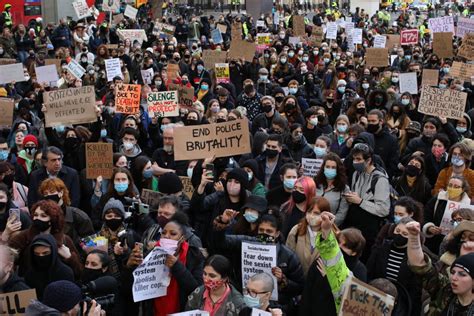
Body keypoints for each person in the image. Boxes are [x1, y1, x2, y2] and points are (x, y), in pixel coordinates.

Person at [406, 221, 474, 315]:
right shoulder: (446, 289)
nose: (453, 278)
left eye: (462, 274)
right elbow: (421, 267)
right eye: (453, 272)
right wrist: (413, 238)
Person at [343, 143, 391, 261]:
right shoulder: (356, 174)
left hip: (369, 229)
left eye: (359, 159)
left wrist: (360, 201)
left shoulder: (380, 180)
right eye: (354, 159)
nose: (355, 162)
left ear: (368, 160)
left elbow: (384, 210)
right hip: (354, 224)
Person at [366, 217, 423, 316]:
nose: (400, 235)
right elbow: (369, 272)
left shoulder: (415, 258)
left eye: (405, 234)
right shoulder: (381, 249)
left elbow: (415, 290)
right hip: (374, 297)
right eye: (398, 231)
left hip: (399, 306)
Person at [151, 213, 204, 315]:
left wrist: (177, 266)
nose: (167, 236)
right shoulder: (152, 253)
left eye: (173, 234)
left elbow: (197, 290)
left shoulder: (195, 256)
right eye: (164, 233)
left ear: (182, 238)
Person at [39, 178, 94, 248]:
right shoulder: (42, 216)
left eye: (52, 192)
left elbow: (90, 245)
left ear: (61, 193)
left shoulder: (78, 216)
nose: (49, 196)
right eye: (45, 193)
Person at [424, 175, 472, 254]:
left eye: (456, 186)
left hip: (453, 246)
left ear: (463, 189)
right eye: (450, 185)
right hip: (432, 242)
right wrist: (429, 227)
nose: (452, 188)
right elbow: (425, 215)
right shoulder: (438, 199)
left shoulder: (469, 205)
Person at [315, 153, 350, 226]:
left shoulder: (344, 188)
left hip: (330, 227)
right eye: (327, 166)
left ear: (338, 169)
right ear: (323, 167)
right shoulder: (315, 183)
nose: (330, 169)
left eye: (333, 167)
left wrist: (327, 225)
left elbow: (341, 214)